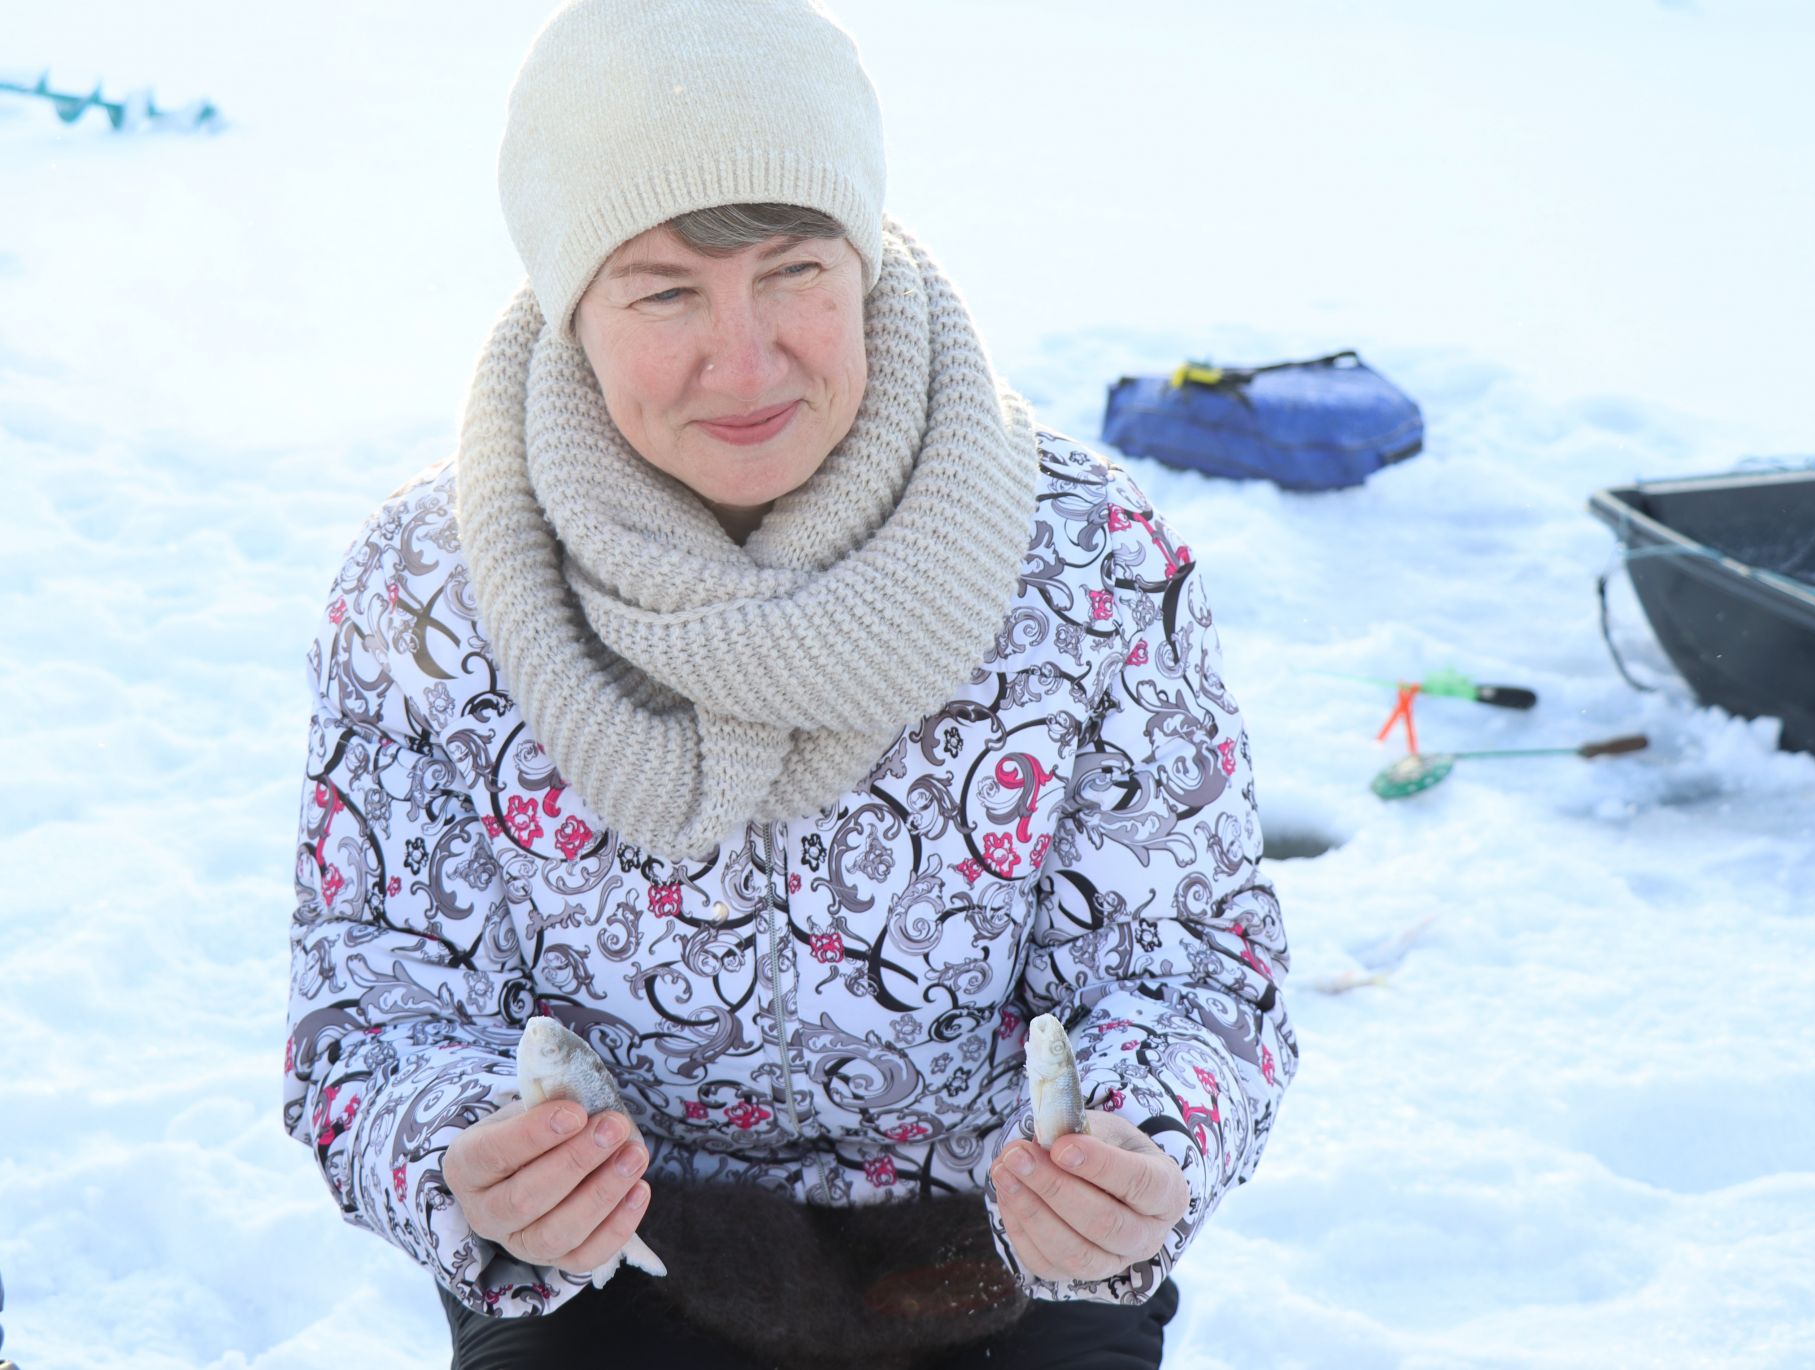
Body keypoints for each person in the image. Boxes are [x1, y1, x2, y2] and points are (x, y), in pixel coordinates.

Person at [281, 1, 1297, 1365]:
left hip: (999, 1262)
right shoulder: (433, 585)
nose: (746, 357)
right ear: (571, 302)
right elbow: (371, 1002)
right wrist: (474, 1160)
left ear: (864, 264)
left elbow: (1189, 964)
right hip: (612, 1275)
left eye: (795, 271)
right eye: (665, 292)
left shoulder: (1083, 556)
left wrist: (1133, 1149)